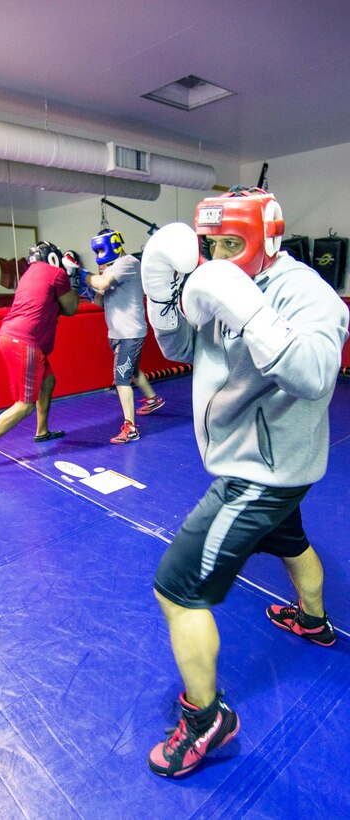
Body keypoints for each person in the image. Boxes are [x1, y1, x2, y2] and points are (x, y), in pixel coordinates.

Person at [140, 187, 348, 778]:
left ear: (267, 238)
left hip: (260, 471)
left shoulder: (305, 291)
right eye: (211, 244)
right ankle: (312, 620)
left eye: (233, 243)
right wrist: (166, 295)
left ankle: (207, 719)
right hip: (266, 460)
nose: (219, 256)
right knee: (290, 540)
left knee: (176, 588)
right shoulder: (214, 274)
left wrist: (251, 310)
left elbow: (313, 374)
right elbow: (180, 345)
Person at [0, 241, 79, 476]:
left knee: (48, 381)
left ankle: (42, 431)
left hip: (10, 336)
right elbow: (71, 308)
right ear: (53, 258)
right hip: (25, 342)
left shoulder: (29, 273)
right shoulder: (56, 273)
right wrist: (72, 277)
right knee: (24, 405)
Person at [77, 230, 164, 444]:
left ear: (111, 245)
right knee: (131, 369)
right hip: (117, 332)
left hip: (129, 333)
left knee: (121, 377)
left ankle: (130, 428)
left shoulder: (128, 262)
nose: (99, 254)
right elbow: (98, 300)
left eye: (100, 249)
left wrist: (81, 273)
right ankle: (153, 399)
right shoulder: (111, 269)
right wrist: (86, 282)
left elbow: (101, 283)